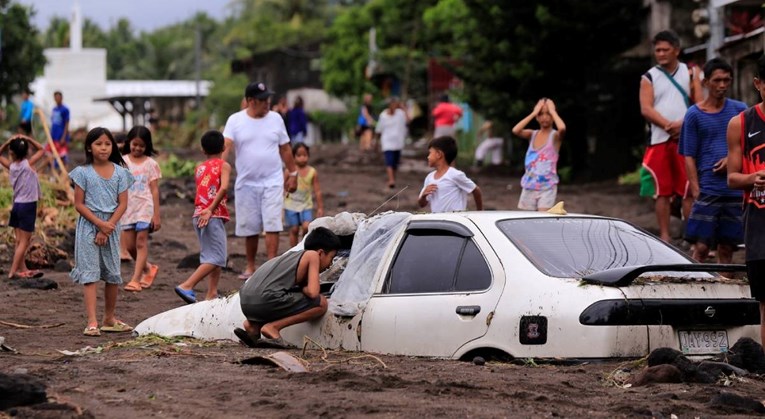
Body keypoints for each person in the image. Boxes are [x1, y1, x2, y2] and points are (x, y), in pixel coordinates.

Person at [222, 81, 298, 279]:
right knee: (250, 226)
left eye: (268, 99)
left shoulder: (276, 119)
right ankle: (250, 267)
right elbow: (226, 146)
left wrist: (294, 174)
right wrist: (218, 171)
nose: (267, 103)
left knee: (273, 223)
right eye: (262, 100)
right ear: (250, 101)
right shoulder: (235, 120)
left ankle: (271, 266)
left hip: (272, 180)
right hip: (246, 182)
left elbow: (285, 148)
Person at [680, 58, 746, 264]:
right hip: (708, 188)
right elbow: (688, 154)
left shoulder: (740, 110)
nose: (722, 85)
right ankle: (695, 290)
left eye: (726, 80)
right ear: (706, 82)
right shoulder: (694, 115)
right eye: (717, 80)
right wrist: (696, 189)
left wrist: (731, 159)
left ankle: (725, 291)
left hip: (734, 188)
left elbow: (751, 145)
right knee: (700, 246)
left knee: (727, 247)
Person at [69, 127, 134, 337]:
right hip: (89, 226)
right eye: (98, 144)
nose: (103, 148)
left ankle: (109, 318)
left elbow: (123, 204)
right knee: (90, 275)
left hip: (112, 227)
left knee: (113, 275)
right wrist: (99, 225)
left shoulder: (121, 173)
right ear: (89, 147)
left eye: (107, 144)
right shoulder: (82, 173)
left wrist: (107, 227)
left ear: (113, 146)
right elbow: (79, 204)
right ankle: (92, 321)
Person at [639, 30, 702, 242]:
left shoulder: (691, 73)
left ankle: (689, 235)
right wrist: (668, 125)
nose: (661, 54)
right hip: (658, 139)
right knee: (661, 191)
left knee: (688, 189)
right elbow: (646, 109)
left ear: (677, 50)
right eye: (658, 50)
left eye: (666, 49)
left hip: (686, 139)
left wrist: (683, 125)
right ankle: (665, 236)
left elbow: (700, 104)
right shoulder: (649, 77)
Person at [234, 226, 340, 348]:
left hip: (246, 302)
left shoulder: (290, 257)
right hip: (264, 299)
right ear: (321, 252)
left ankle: (253, 327)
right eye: (331, 258)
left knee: (283, 297)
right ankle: (273, 328)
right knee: (321, 303)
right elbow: (313, 292)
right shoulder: (312, 255)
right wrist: (305, 289)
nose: (330, 265)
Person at [727, 53, 765, 356]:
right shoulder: (741, 123)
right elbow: (732, 177)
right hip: (759, 227)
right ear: (758, 84)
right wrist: (753, 178)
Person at [175, 130, 231, 304]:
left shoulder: (199, 168)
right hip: (210, 215)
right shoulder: (224, 165)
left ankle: (212, 293)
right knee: (218, 257)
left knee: (211, 255)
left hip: (199, 214)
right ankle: (187, 285)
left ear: (202, 150)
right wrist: (211, 209)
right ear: (223, 147)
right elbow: (223, 188)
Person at [121, 126, 162, 292]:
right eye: (134, 144)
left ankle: (135, 279)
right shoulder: (122, 162)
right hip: (128, 208)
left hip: (145, 207)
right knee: (130, 246)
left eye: (141, 146)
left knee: (140, 242)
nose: (137, 148)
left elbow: (154, 190)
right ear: (129, 142)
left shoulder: (151, 164)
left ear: (147, 146)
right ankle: (148, 268)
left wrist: (156, 215)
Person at [0, 135, 45, 279]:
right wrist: (28, 138)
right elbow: (42, 149)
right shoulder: (28, 164)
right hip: (27, 206)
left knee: (19, 241)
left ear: (11, 153)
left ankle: (22, 268)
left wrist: (8, 142)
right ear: (27, 152)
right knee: (24, 242)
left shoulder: (12, 166)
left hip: (17, 206)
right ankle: (13, 272)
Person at [512, 98, 566, 211]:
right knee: (527, 221)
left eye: (548, 114)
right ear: (537, 117)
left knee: (542, 219)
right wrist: (533, 113)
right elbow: (515, 130)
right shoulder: (532, 134)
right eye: (541, 114)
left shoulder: (555, 136)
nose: (544, 117)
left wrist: (553, 111)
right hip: (529, 186)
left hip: (547, 187)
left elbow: (562, 128)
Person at [419, 136, 483, 212]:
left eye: (430, 153)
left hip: (455, 221)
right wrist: (423, 196)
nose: (428, 157)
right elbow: (421, 204)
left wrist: (479, 212)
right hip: (437, 221)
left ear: (439, 154)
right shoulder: (429, 178)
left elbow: (476, 190)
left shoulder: (455, 175)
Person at [284, 143, 324, 247]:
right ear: (293, 157)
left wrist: (320, 207)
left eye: (305, 155)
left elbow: (317, 191)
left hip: (306, 205)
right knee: (294, 229)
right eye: (299, 155)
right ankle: (293, 251)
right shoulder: (289, 171)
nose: (302, 158)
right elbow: (283, 188)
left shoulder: (312, 172)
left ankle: (303, 246)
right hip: (291, 204)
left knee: (307, 227)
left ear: (308, 156)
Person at [375, 96, 409, 190]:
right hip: (387, 142)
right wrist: (376, 142)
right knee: (389, 161)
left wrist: (404, 109)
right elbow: (379, 129)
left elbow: (409, 120)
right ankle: (391, 180)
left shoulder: (401, 114)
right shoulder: (383, 115)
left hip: (398, 142)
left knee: (395, 163)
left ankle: (392, 178)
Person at [48, 91, 70, 164]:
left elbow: (67, 124)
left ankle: (64, 173)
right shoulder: (54, 109)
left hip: (61, 136)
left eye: (58, 97)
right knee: (50, 154)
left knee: (62, 156)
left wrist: (63, 137)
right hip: (54, 136)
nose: (57, 99)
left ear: (61, 98)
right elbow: (53, 123)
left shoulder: (65, 109)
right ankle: (55, 173)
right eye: (55, 97)